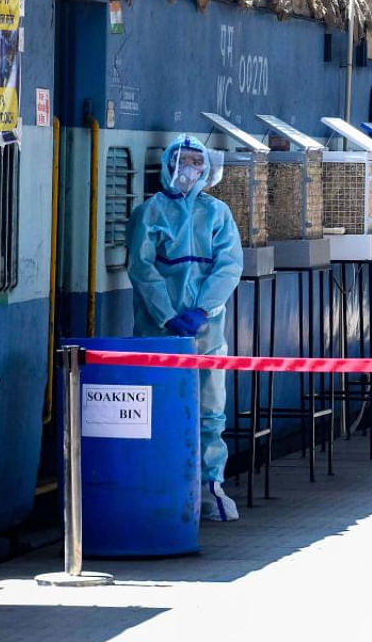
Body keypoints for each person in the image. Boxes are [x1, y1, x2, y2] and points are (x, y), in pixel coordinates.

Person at [127, 135, 244, 521]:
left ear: (207, 168)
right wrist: (166, 314)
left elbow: (228, 266)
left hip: (206, 333)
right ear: (167, 164)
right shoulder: (149, 213)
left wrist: (202, 310)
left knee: (210, 409)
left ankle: (210, 487)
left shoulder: (218, 213)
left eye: (196, 161)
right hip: (157, 333)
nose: (188, 169)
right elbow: (142, 268)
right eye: (181, 160)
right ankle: (159, 484)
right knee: (158, 408)